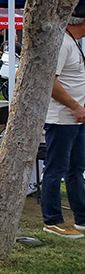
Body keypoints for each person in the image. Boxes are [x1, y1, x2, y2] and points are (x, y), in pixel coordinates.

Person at [40, 12, 85, 238]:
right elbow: (50, 81)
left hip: (77, 118)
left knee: (76, 169)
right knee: (56, 169)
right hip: (62, 118)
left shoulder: (73, 42)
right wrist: (74, 105)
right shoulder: (63, 43)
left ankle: (82, 218)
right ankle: (52, 220)